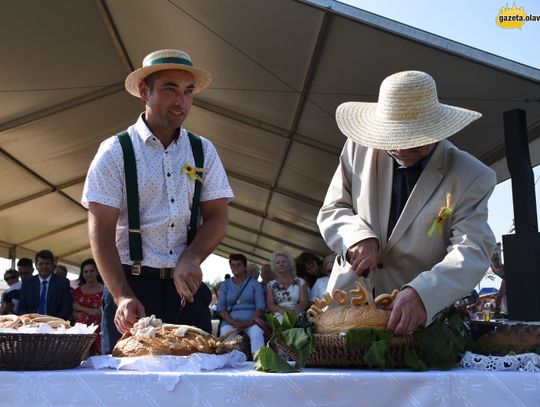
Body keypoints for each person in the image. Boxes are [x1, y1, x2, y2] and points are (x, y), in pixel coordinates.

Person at [317, 71, 496, 335]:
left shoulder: (471, 176)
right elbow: (333, 209)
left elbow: (472, 249)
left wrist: (424, 293)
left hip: (412, 321)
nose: (401, 151)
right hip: (345, 309)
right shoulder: (357, 148)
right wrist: (356, 237)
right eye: (393, 141)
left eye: (414, 144)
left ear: (438, 130)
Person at [82, 49, 233, 353]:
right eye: (169, 89)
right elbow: (100, 230)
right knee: (128, 390)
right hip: (132, 287)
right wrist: (122, 295)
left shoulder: (203, 150)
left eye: (188, 91)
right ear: (143, 91)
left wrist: (192, 257)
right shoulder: (114, 152)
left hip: (187, 291)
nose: (181, 101)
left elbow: (218, 216)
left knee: (197, 388)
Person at [217, 254, 265, 358]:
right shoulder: (225, 285)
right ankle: (227, 362)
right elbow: (221, 308)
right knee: (226, 332)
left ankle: (260, 361)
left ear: (245, 267)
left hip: (252, 321)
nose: (235, 267)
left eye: (239, 264)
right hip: (231, 321)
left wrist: (249, 322)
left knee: (257, 332)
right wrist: (232, 322)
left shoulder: (254, 284)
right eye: (233, 265)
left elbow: (260, 306)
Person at [17, 249, 73, 319]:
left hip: (54, 324)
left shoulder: (63, 283)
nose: (44, 267)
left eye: (47, 263)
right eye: (41, 264)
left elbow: (66, 308)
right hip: (31, 323)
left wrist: (54, 322)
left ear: (53, 265)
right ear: (36, 265)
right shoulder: (27, 283)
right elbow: (21, 308)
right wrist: (29, 321)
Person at [265, 248, 309, 319]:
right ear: (274, 267)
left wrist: (295, 311)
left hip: (297, 312)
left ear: (290, 264)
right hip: (279, 313)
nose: (281, 264)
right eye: (278, 262)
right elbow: (270, 304)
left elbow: (304, 301)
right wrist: (282, 311)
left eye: (283, 262)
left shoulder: (300, 281)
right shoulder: (270, 285)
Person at [72, 259, 104, 354]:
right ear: (82, 274)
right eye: (86, 271)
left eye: (91, 271)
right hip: (82, 329)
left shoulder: (105, 290)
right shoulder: (77, 291)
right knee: (83, 319)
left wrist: (80, 308)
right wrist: (91, 312)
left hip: (100, 328)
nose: (89, 274)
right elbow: (73, 314)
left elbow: (100, 312)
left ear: (97, 272)